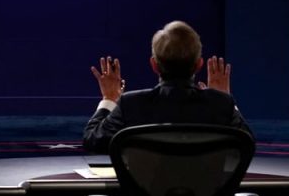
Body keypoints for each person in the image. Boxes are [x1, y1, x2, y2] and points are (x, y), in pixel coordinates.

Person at [82, 20, 252, 154]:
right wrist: (222, 98)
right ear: (199, 65)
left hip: (145, 190)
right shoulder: (220, 104)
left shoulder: (131, 104)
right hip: (206, 190)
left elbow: (93, 141)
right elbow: (247, 143)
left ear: (154, 65)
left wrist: (109, 99)